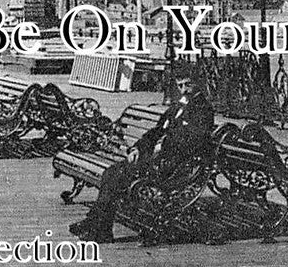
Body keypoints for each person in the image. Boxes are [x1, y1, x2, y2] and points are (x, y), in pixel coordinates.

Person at [69, 70, 215, 243]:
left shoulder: (203, 109)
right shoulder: (178, 105)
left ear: (197, 83)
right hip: (160, 159)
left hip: (177, 165)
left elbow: (194, 141)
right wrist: (138, 148)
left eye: (188, 84)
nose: (184, 90)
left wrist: (164, 145)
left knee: (116, 175)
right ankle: (98, 226)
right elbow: (157, 131)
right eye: (180, 85)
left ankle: (98, 227)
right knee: (111, 173)